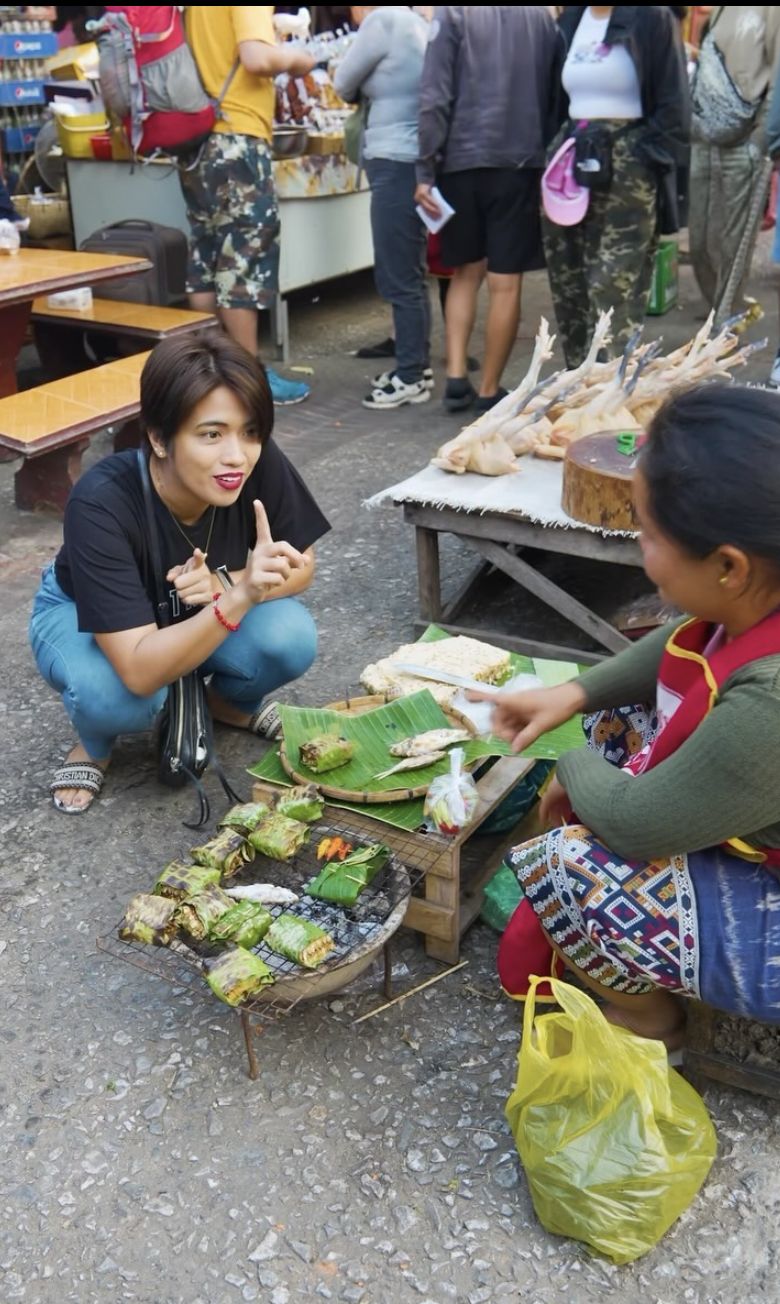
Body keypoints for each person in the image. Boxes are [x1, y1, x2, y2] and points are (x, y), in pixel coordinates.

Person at [471, 385, 780, 1045]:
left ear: (729, 565)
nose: (639, 545)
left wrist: (570, 769)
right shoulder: (759, 592)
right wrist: (572, 695)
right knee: (616, 723)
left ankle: (651, 1020)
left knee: (567, 863)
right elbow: (686, 648)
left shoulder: (774, 702)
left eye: (646, 530)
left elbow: (639, 826)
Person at [29, 333, 330, 814]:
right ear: (158, 437)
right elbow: (140, 668)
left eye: (250, 431)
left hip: (199, 608)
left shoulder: (255, 460)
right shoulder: (101, 500)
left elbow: (302, 565)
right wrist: (239, 596)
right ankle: (95, 746)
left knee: (291, 637)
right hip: (89, 614)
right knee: (118, 695)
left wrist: (222, 584)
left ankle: (227, 706)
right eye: (211, 434)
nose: (236, 455)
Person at [415, 6, 562, 414]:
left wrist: (425, 167)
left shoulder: (453, 13)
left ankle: (456, 377)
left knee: (464, 272)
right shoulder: (541, 18)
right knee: (506, 282)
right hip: (520, 160)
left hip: (460, 162)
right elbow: (554, 94)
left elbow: (434, 95)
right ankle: (489, 388)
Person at [181, 6, 317, 406]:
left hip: (197, 141)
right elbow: (257, 59)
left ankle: (207, 373)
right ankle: (247, 380)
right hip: (237, 135)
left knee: (207, 255)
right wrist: (297, 59)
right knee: (244, 259)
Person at [542, 5, 689, 369]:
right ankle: (579, 386)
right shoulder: (571, 20)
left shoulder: (651, 18)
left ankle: (614, 390)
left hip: (628, 166)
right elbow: (555, 100)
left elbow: (675, 106)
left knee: (613, 288)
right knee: (569, 283)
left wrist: (642, 154)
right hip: (571, 161)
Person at [334, 5, 432, 410]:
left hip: (393, 157)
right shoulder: (419, 25)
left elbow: (342, 83)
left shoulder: (384, 20)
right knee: (411, 269)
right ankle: (417, 366)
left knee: (398, 274)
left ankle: (411, 376)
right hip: (414, 157)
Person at [689, 6, 780, 327]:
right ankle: (722, 307)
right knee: (700, 240)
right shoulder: (720, 10)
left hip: (746, 141)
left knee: (734, 242)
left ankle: (727, 317)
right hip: (703, 137)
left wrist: (761, 139)